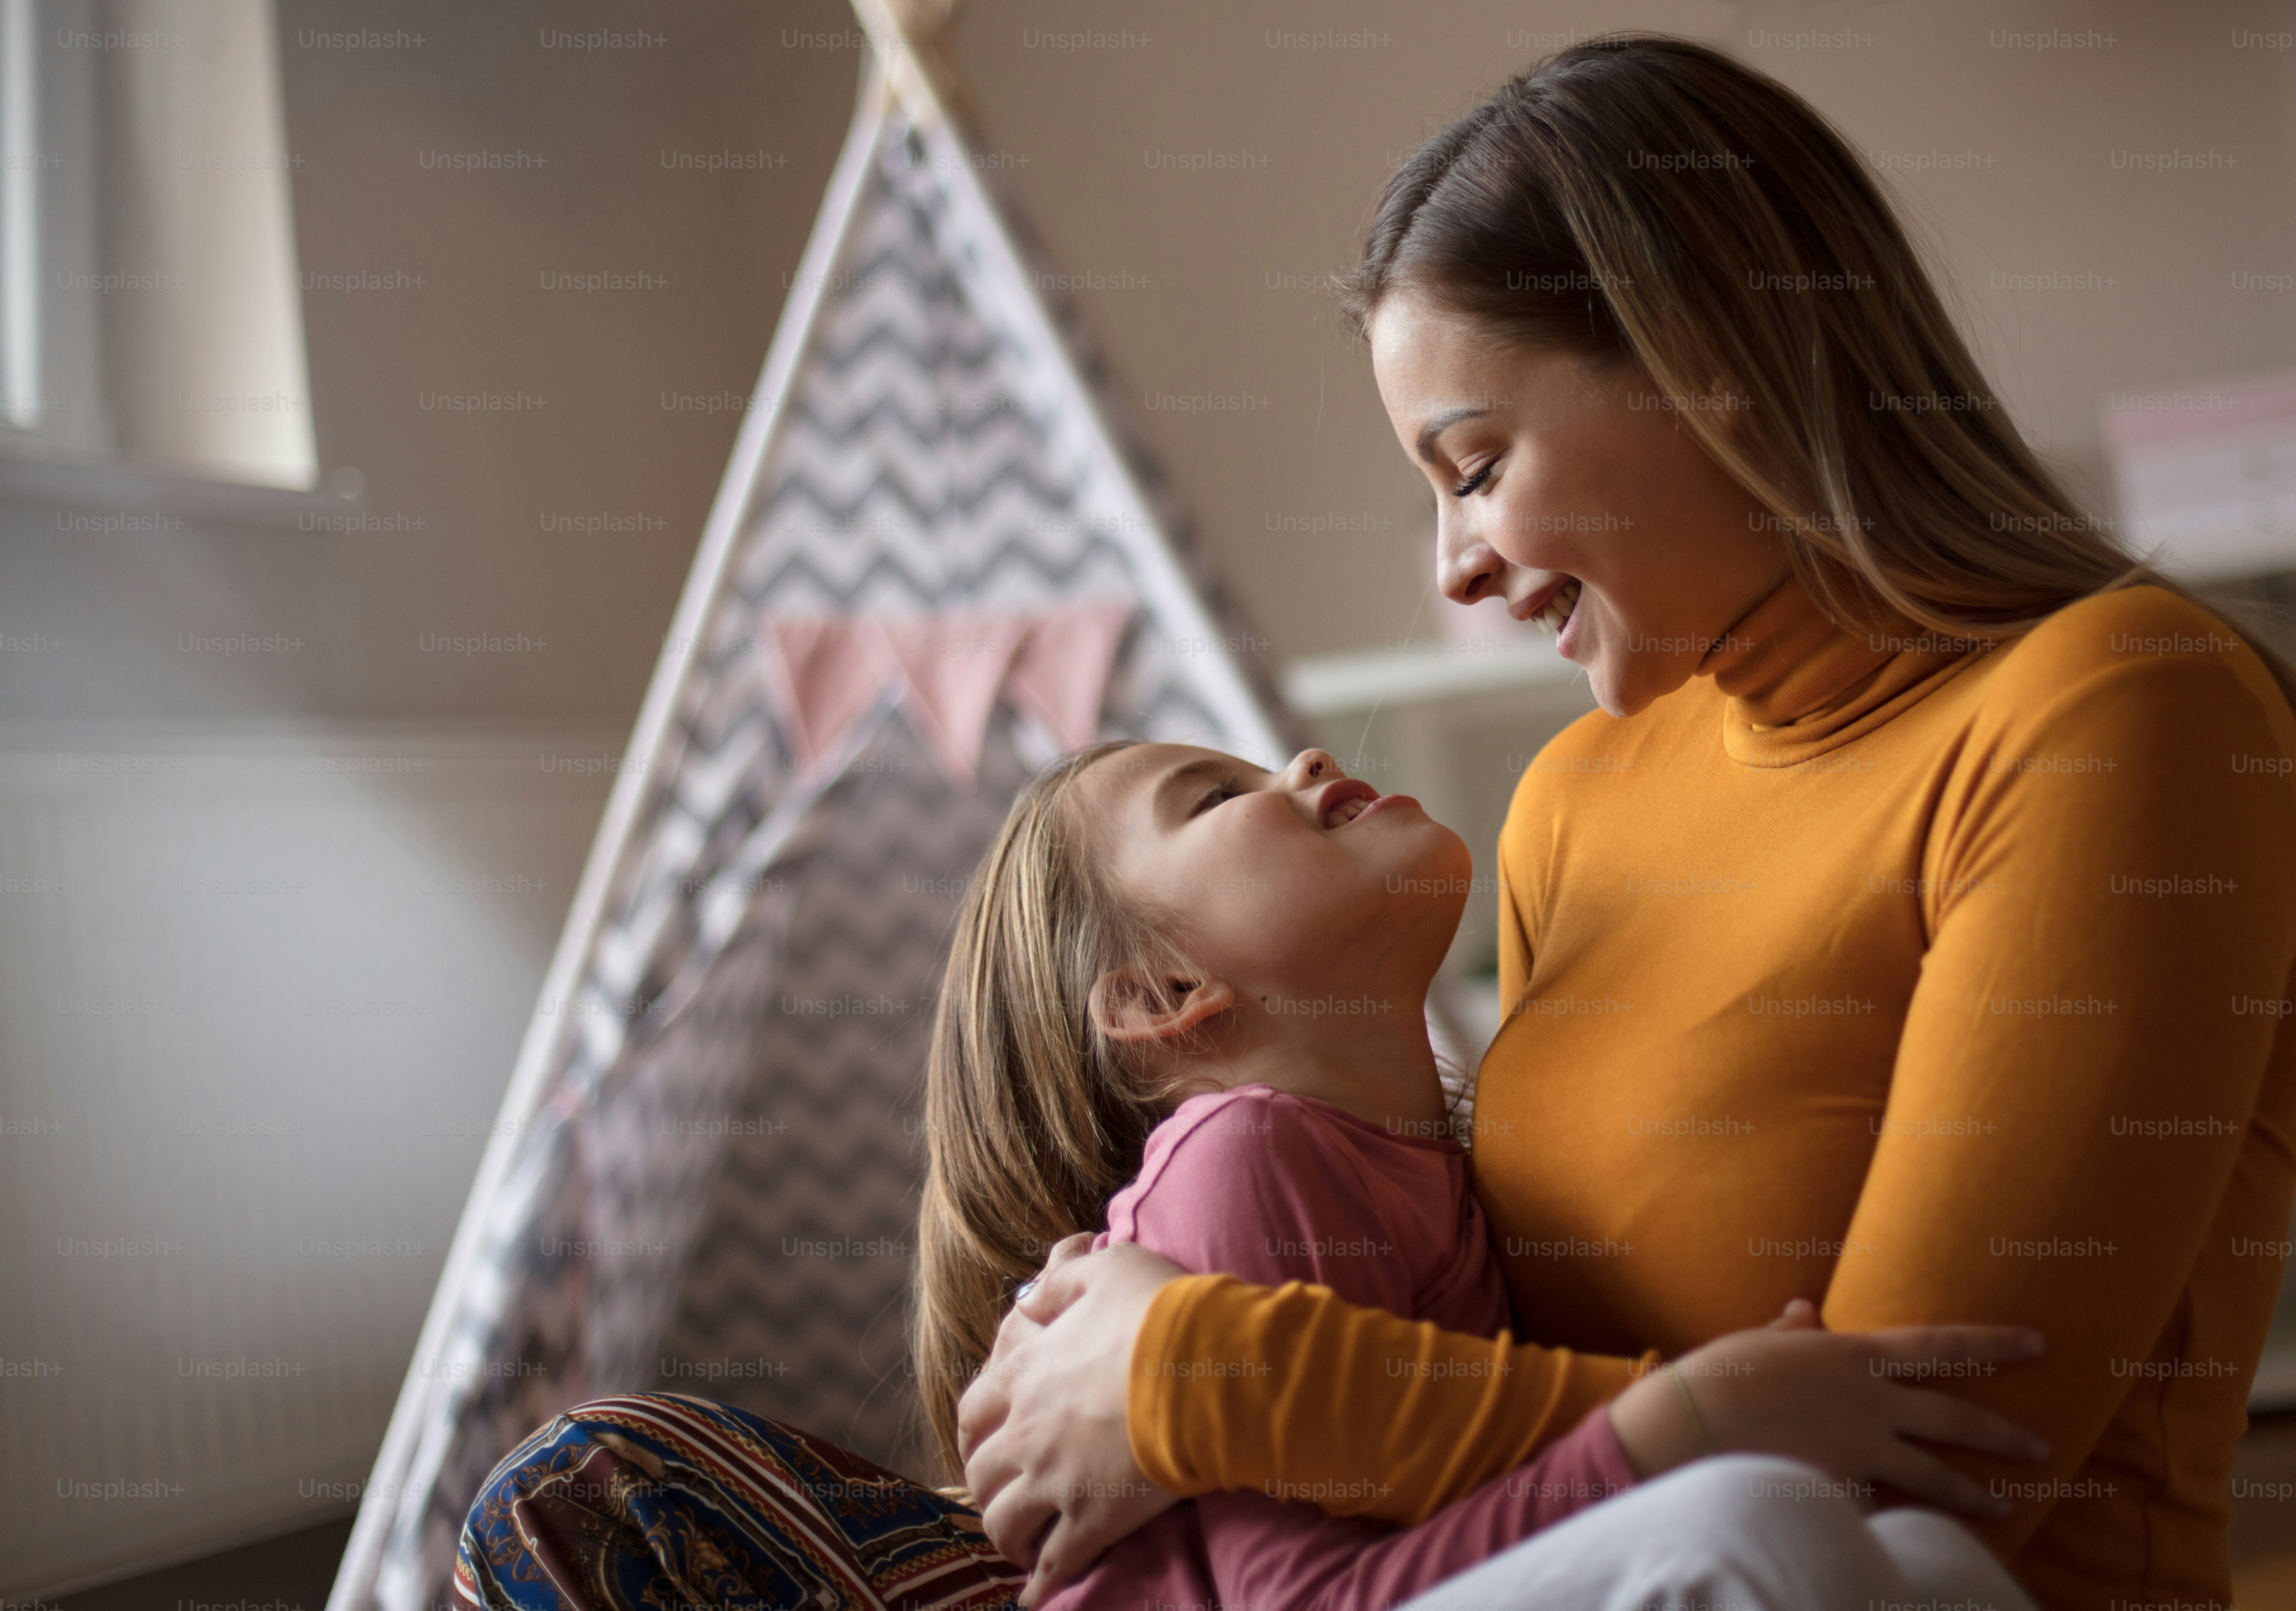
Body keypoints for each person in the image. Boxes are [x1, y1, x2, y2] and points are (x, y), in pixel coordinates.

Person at [954, 35, 2296, 1611]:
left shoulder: (2122, 709)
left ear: (1702, 356)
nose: (1452, 565)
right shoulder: (1577, 802)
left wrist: (1197, 1377)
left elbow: (1920, 1457)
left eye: (1477, 465)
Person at [916, 735, 2051, 1611]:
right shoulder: (1242, 1159)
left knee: (1927, 1564)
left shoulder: (1426, 1173)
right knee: (1754, 1522)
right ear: (1160, 996)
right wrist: (1689, 1426)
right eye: (1218, 797)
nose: (1305, 762)